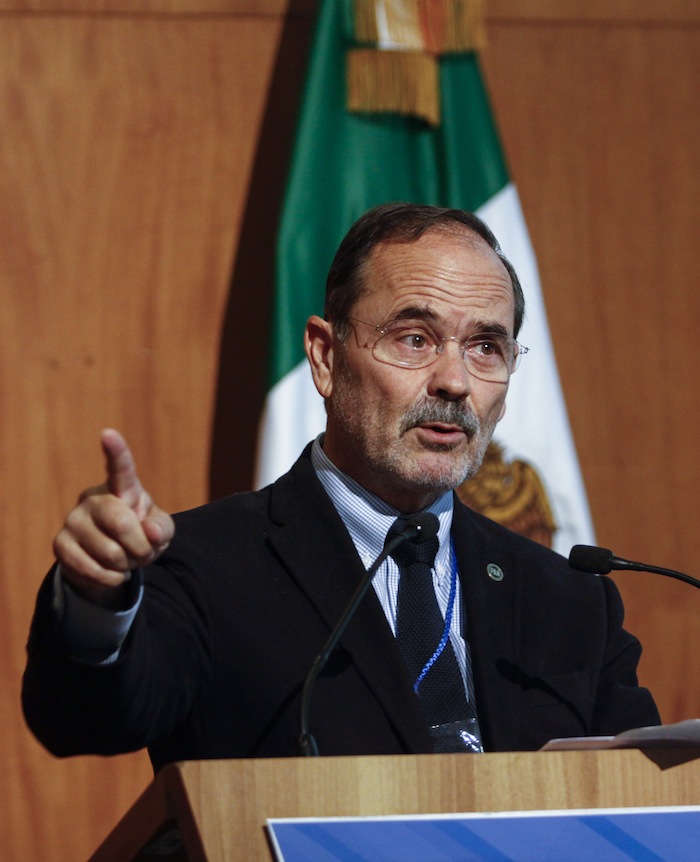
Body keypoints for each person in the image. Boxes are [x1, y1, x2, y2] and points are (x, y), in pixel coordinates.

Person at [22, 203, 659, 770]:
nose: (455, 382)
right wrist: (96, 598)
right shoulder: (202, 563)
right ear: (326, 358)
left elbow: (647, 808)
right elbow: (88, 720)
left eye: (486, 347)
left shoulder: (570, 603)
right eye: (415, 339)